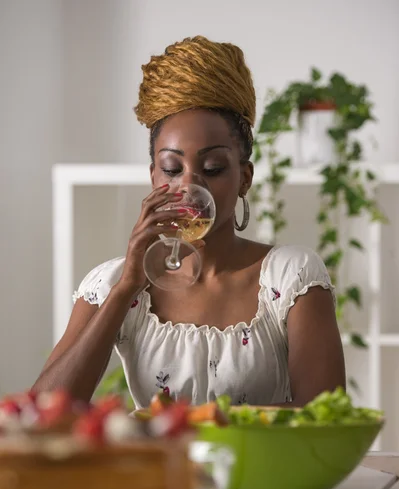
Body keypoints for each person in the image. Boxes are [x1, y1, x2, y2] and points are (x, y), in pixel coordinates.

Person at [33, 36, 345, 407]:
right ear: (153, 177)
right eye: (171, 168)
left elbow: (323, 419)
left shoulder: (291, 279)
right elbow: (42, 412)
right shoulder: (112, 284)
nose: (189, 186)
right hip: (153, 468)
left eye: (212, 168)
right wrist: (127, 287)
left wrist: (190, 428)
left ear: (244, 178)